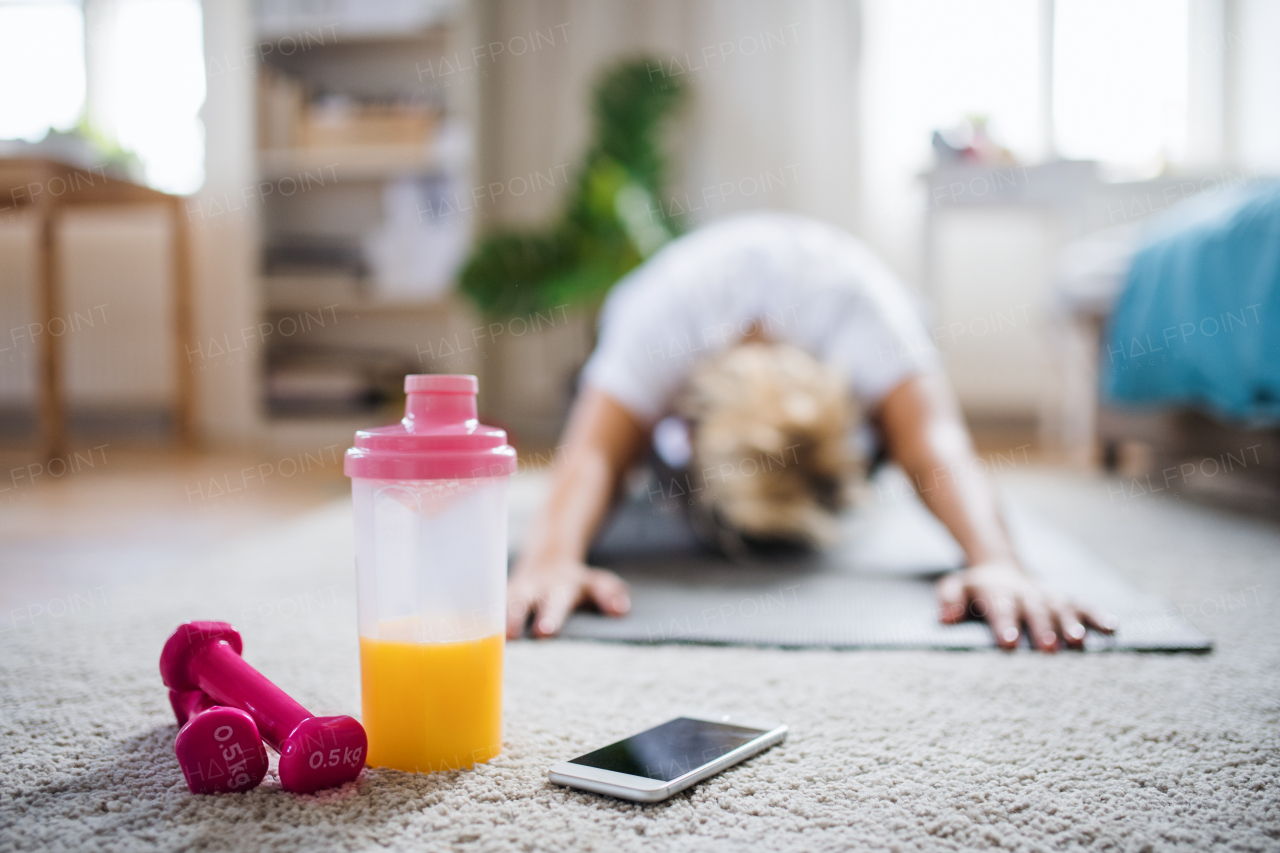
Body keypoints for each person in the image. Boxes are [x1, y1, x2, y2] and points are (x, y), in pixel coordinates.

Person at [507, 211, 1116, 651]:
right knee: (613, 441)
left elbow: (935, 446)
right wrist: (551, 558)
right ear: (685, 436)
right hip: (678, 340)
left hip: (841, 335)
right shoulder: (659, 323)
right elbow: (592, 456)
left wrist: (998, 560)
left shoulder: (867, 315)